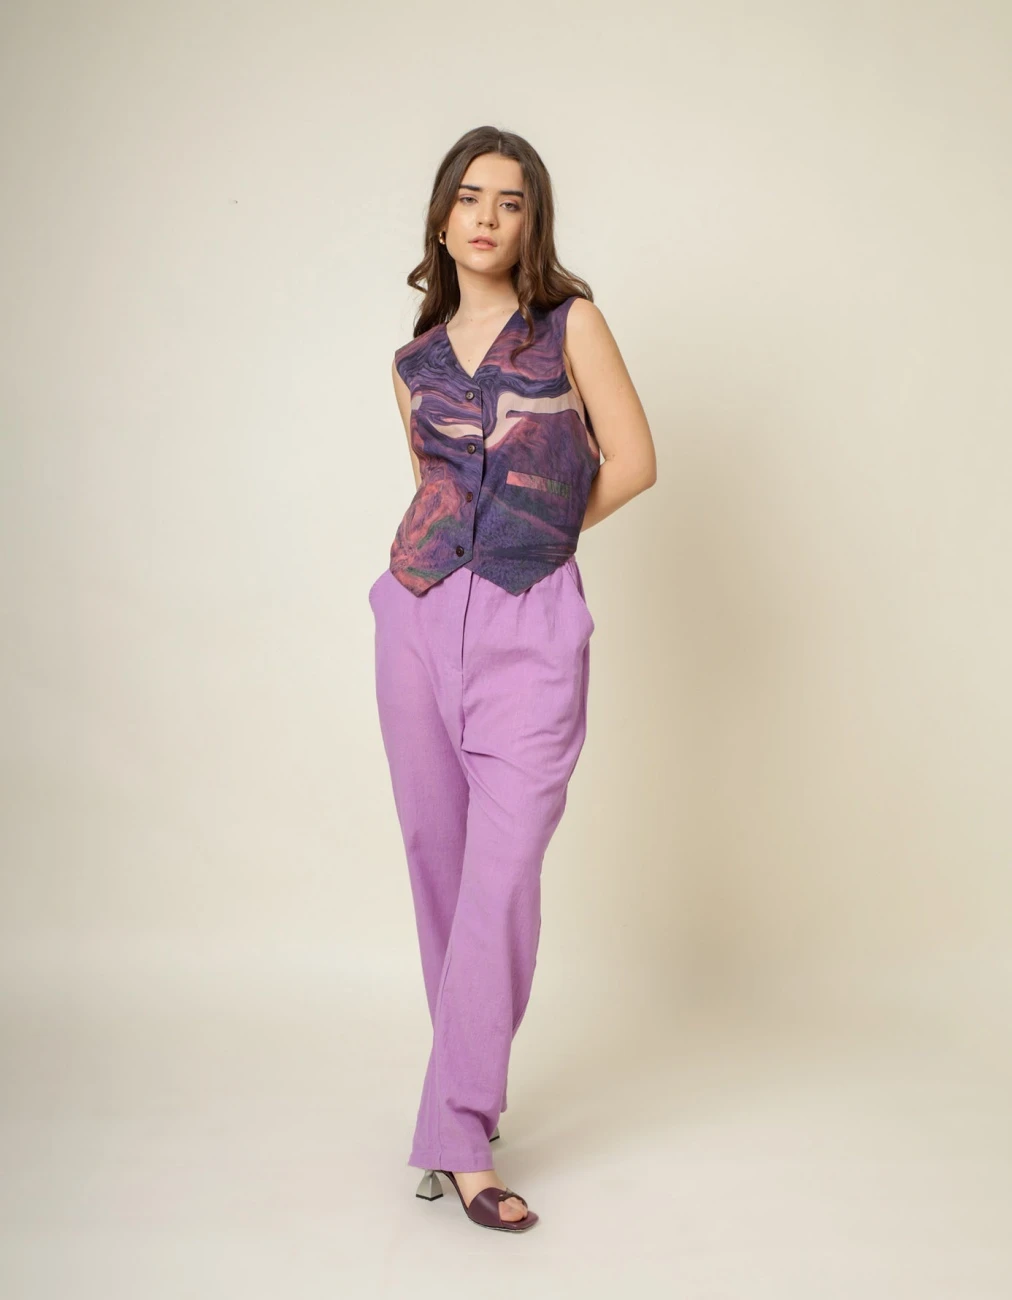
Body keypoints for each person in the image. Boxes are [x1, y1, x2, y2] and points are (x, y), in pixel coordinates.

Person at [368, 125, 657, 1232]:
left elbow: (633, 459)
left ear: (533, 222)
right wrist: (441, 575)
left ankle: (453, 1133)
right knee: (440, 871)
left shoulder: (569, 323)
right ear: (442, 219)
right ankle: (465, 1123)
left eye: (512, 200)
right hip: (416, 614)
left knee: (501, 879)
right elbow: (430, 486)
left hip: (532, 619)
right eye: (470, 197)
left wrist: (538, 534)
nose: (488, 217)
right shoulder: (413, 363)